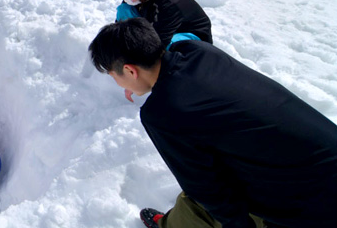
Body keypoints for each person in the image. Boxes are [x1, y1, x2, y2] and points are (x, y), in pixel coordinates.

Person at [88, 18, 337, 228]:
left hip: (312, 204)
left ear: (131, 71)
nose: (117, 83)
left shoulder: (163, 112)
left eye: (113, 75)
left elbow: (207, 188)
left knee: (204, 199)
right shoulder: (196, 51)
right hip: (322, 151)